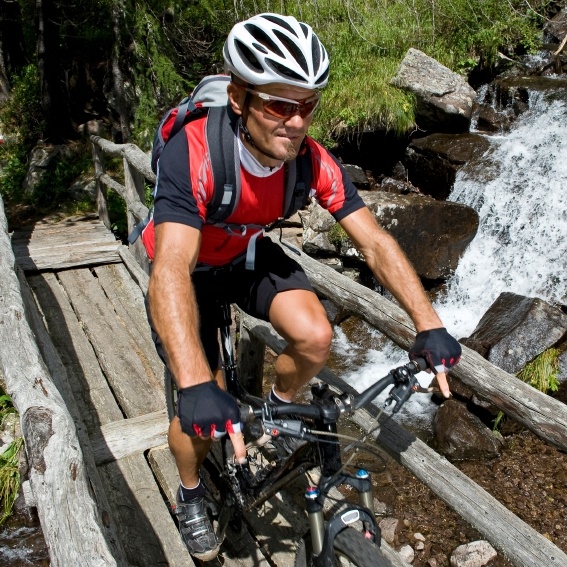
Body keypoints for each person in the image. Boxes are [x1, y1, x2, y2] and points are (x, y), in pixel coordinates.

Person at [145, 12, 461, 560]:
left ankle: (275, 412)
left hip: (243, 251)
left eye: (307, 106)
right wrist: (195, 383)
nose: (295, 122)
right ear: (239, 98)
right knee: (199, 415)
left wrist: (428, 323)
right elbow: (171, 265)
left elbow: (375, 242)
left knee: (316, 336)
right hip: (188, 268)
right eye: (278, 105)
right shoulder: (194, 151)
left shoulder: (310, 162)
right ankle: (190, 493)